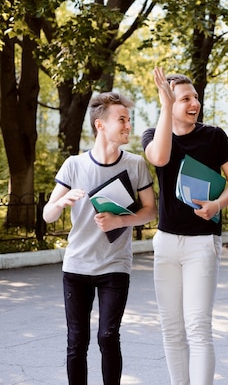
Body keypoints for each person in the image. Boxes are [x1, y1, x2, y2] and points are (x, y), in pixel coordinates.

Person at [43, 92, 157, 385]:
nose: (128, 126)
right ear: (100, 125)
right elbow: (48, 216)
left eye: (129, 120)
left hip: (115, 265)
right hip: (77, 267)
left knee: (108, 336)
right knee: (76, 341)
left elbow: (150, 212)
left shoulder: (135, 165)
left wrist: (120, 220)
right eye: (122, 120)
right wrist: (61, 201)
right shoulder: (74, 165)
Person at [141, 67, 228, 385]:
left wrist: (217, 205)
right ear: (169, 102)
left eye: (195, 97)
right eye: (184, 98)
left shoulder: (213, 136)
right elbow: (159, 159)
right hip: (167, 242)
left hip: (202, 242)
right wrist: (164, 106)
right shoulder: (153, 135)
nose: (194, 103)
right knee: (171, 327)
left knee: (198, 326)